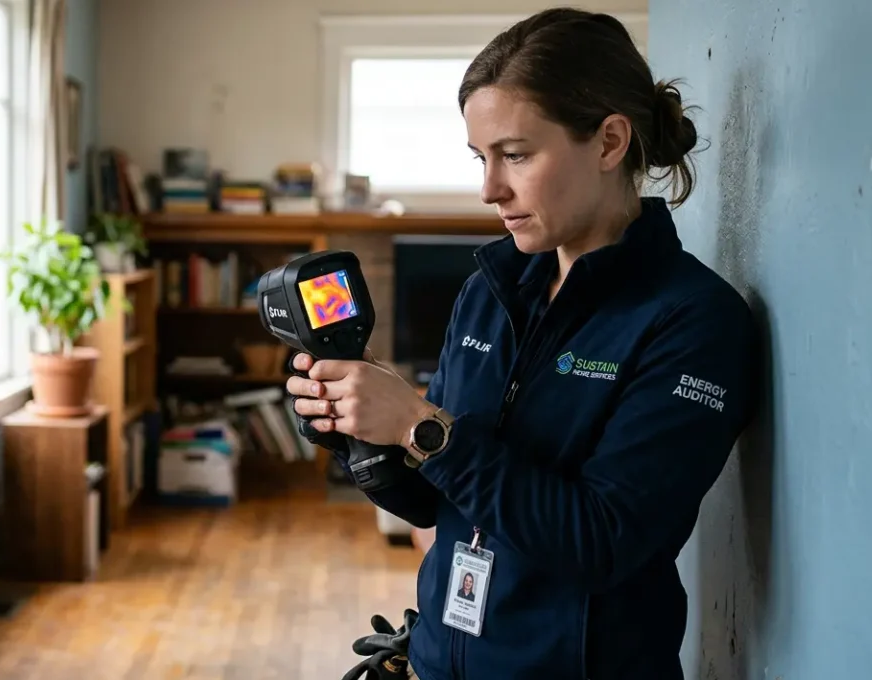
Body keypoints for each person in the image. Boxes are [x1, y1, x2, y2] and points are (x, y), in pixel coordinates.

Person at [287, 8, 761, 680]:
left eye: (516, 154)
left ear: (609, 142)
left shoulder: (694, 323)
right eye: (482, 158)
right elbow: (438, 502)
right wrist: (360, 435)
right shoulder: (491, 290)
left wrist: (422, 426)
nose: (489, 189)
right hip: (437, 662)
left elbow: (601, 541)